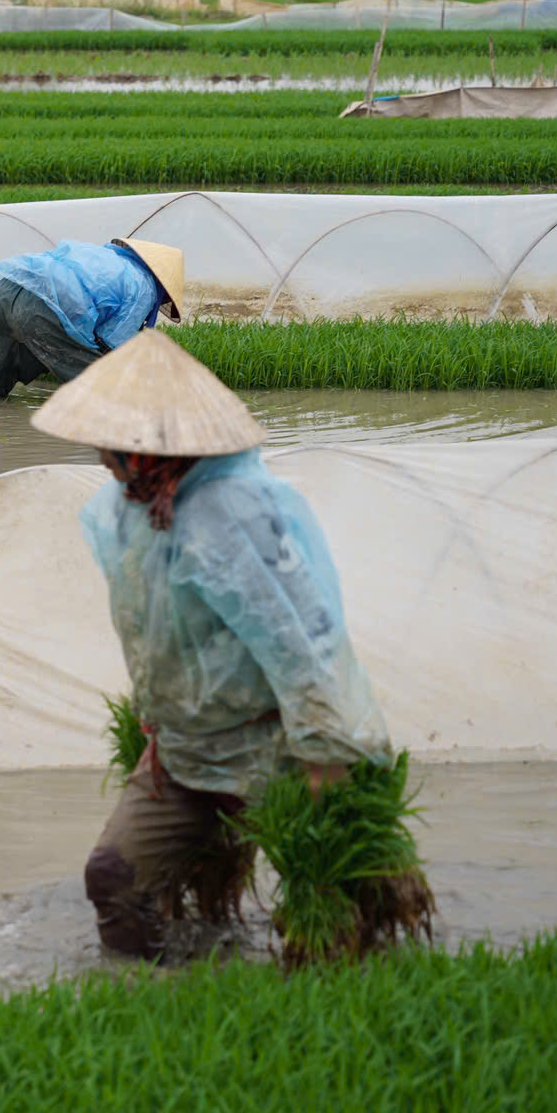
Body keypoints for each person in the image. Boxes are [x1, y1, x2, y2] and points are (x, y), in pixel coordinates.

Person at [29, 330, 396, 960]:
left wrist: (324, 756)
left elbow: (299, 639)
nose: (100, 458)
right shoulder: (129, 506)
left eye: (109, 445)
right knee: (114, 878)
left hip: (274, 748)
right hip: (185, 750)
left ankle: (345, 987)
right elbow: (151, 623)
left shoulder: (233, 512)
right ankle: (156, 994)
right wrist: (154, 717)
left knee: (332, 897)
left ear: (145, 448)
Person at [0, 238, 185, 399]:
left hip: (5, 290)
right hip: (41, 310)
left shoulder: (104, 256)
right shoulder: (144, 287)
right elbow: (110, 343)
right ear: (164, 287)